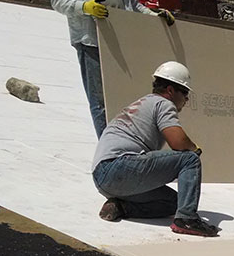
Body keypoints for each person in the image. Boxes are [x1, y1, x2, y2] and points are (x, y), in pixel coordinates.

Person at [52, 0, 174, 138]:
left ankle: (126, 148)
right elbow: (58, 0)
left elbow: (134, 5)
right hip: (91, 40)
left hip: (120, 41)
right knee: (100, 102)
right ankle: (109, 154)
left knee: (124, 98)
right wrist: (84, 7)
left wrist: (155, 16)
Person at [91, 61, 219, 237]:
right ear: (170, 90)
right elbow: (178, 143)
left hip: (103, 179)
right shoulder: (163, 103)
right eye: (185, 93)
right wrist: (195, 149)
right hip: (118, 166)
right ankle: (187, 219)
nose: (186, 99)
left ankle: (121, 207)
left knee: (173, 202)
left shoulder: (144, 103)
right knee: (190, 159)